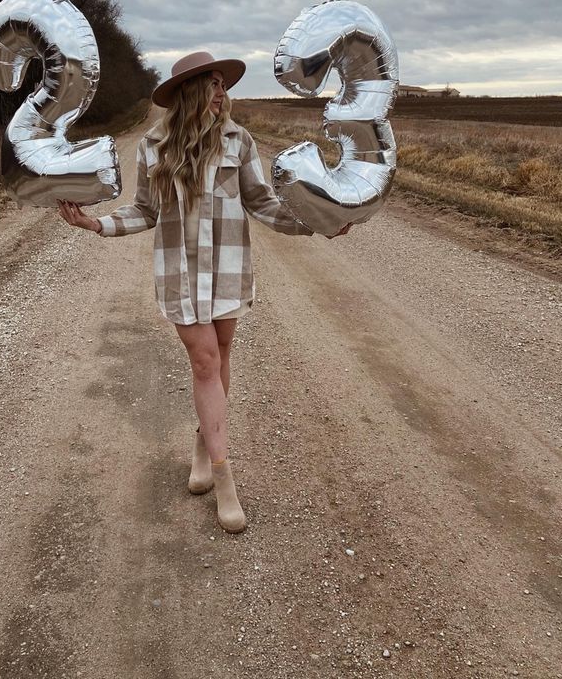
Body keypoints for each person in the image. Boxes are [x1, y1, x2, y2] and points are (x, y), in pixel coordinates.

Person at [57, 51, 350, 534]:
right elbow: (145, 211)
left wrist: (317, 223)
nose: (222, 92)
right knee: (205, 362)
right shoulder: (154, 145)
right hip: (179, 270)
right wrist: (96, 223)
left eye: (223, 83)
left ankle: (203, 443)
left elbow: (263, 203)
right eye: (213, 84)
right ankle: (224, 475)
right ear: (191, 91)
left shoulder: (239, 140)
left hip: (229, 267)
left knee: (221, 355)